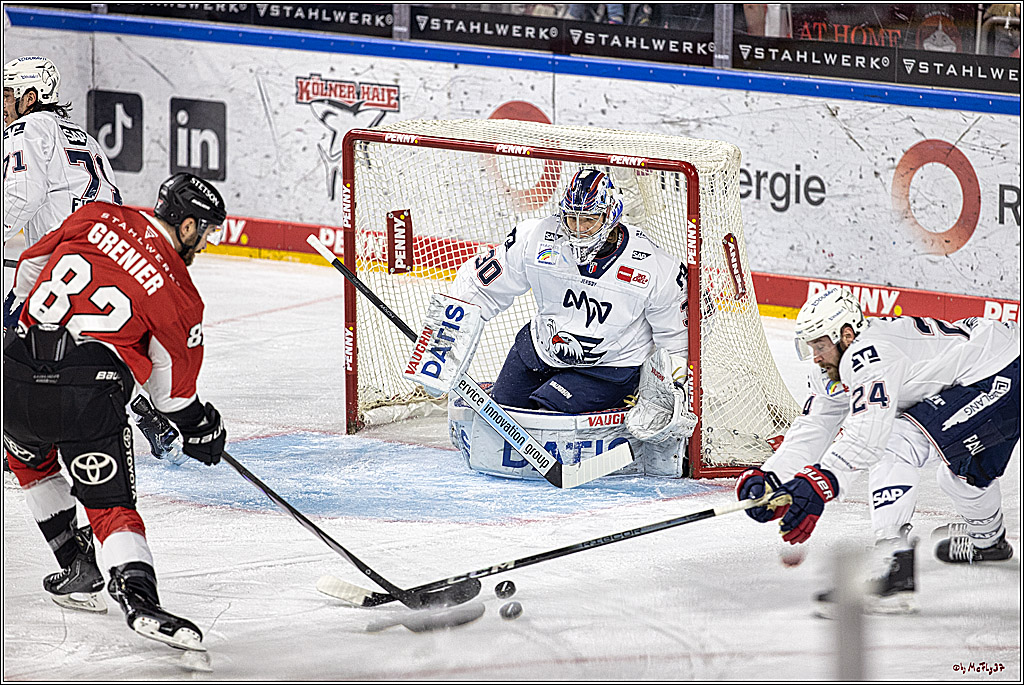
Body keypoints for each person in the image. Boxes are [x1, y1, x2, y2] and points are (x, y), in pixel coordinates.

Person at [2, 172, 229, 651]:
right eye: (205, 232)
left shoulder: (96, 215)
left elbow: (27, 267)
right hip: (87, 397)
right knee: (110, 507)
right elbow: (173, 396)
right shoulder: (180, 295)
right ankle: (137, 595)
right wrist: (201, 428)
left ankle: (75, 563)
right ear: (187, 227)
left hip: (13, 374)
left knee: (29, 462)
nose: (205, 244)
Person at [737, 288, 1019, 614]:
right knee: (963, 477)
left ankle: (892, 568)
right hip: (996, 362)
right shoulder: (835, 363)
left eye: (820, 345)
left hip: (1002, 371)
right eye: (810, 346)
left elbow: (868, 435)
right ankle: (989, 541)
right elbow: (815, 426)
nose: (814, 356)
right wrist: (773, 474)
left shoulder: (868, 354)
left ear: (846, 334)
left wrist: (819, 482)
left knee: (897, 441)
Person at [3, 55, 182, 468]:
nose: (4, 103)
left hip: (64, 264)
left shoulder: (25, 129)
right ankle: (150, 413)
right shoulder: (82, 137)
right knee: (91, 342)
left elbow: (21, 196)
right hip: (107, 258)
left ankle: (22, 440)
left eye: (9, 94)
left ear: (31, 97)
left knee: (14, 340)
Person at [447, 167, 696, 443]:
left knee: (547, 425)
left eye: (588, 219)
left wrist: (668, 392)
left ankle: (623, 399)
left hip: (607, 368)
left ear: (610, 215)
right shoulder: (536, 236)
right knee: (502, 413)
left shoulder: (654, 266)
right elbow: (479, 285)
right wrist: (445, 341)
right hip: (539, 349)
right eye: (571, 218)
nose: (578, 229)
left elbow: (677, 339)